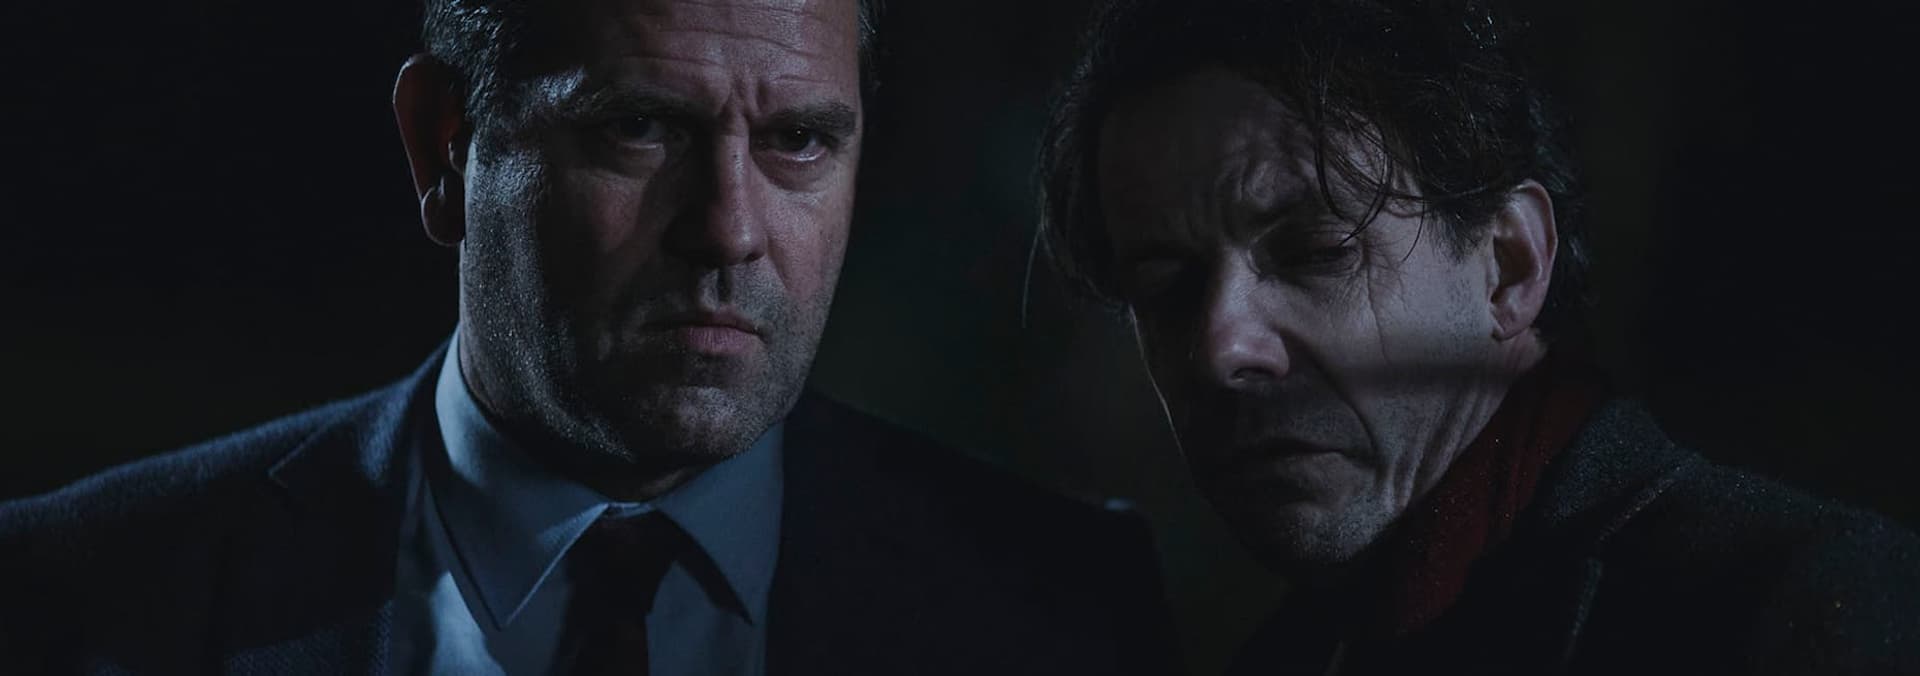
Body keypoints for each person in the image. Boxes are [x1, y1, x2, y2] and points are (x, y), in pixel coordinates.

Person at [0, 0, 1180, 673]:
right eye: (639, 128)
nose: (729, 229)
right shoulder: (77, 599)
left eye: (801, 141)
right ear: (444, 147)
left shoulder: (1067, 614)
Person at [1038, 0, 1920, 673]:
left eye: (1314, 251)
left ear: (1508, 267)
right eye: (1165, 288)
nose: (1222, 347)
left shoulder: (1790, 607)